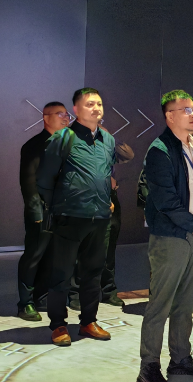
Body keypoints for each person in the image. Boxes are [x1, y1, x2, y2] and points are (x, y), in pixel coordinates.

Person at [137, 90, 193, 382]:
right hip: (172, 236)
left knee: (186, 303)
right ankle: (149, 366)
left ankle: (180, 358)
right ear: (169, 115)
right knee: (160, 304)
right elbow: (165, 200)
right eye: (186, 110)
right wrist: (192, 226)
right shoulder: (160, 150)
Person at [36, 88, 117, 346]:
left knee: (93, 273)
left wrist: (106, 201)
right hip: (69, 217)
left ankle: (88, 321)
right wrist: (58, 206)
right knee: (61, 274)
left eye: (99, 104)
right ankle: (58, 325)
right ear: (76, 110)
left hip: (100, 218)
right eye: (90, 104)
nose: (96, 108)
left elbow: (105, 174)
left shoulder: (108, 139)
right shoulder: (63, 138)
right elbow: (45, 179)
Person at [17, 102, 70, 321]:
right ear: (46, 118)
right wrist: (36, 211)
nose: (66, 118)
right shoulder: (34, 145)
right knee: (34, 255)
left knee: (54, 256)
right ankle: (25, 303)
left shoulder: (68, 145)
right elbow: (28, 182)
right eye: (60, 114)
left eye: (67, 114)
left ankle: (42, 296)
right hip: (42, 210)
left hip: (62, 210)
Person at [69, 143, 134, 311]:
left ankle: (108, 291)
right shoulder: (77, 141)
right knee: (84, 250)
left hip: (109, 197)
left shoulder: (106, 140)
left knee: (109, 249)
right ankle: (76, 293)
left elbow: (128, 155)